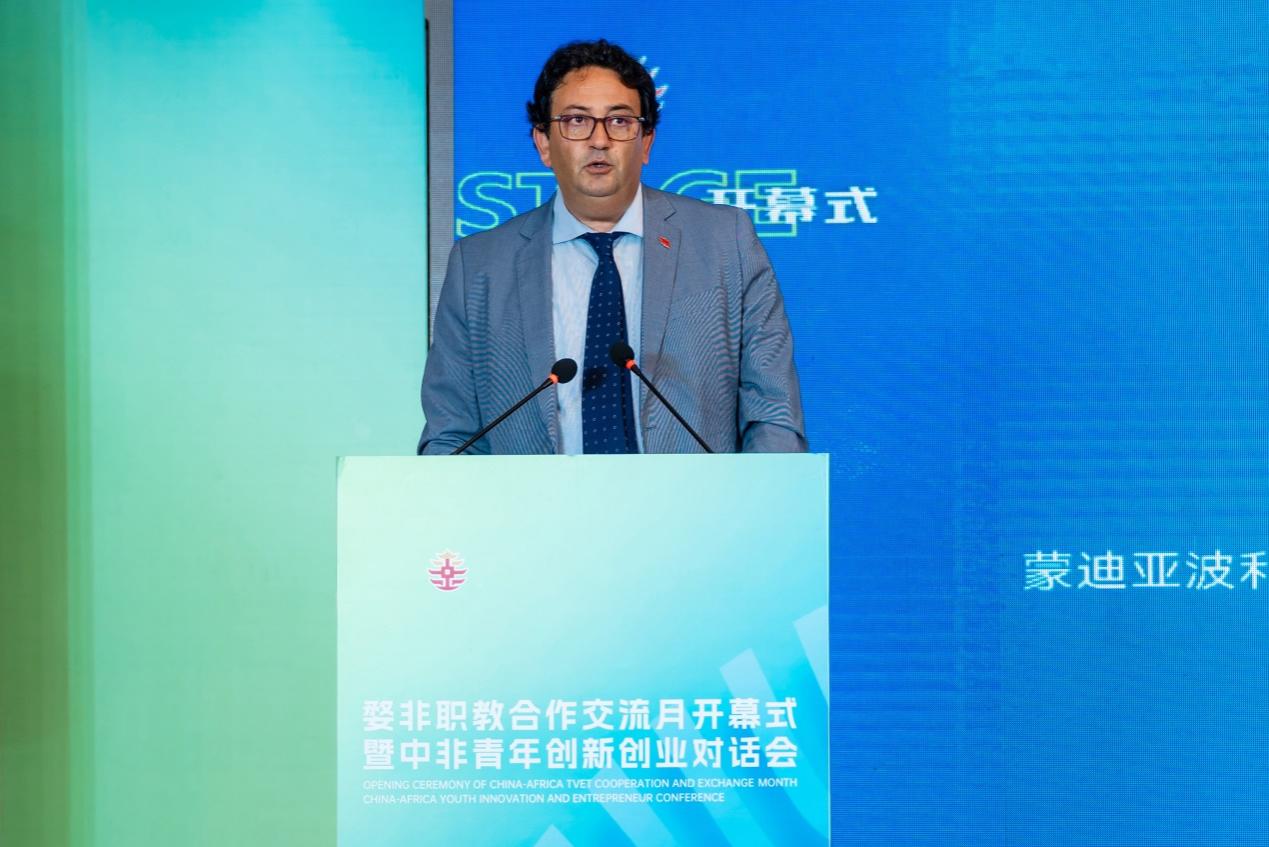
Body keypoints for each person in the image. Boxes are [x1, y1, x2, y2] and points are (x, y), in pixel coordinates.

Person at [418, 39, 807, 455]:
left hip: (694, 498)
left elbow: (773, 415)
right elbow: (452, 435)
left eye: (620, 121)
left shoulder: (725, 241)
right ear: (543, 143)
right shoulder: (479, 266)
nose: (600, 140)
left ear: (646, 141)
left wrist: (760, 493)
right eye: (576, 121)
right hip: (535, 498)